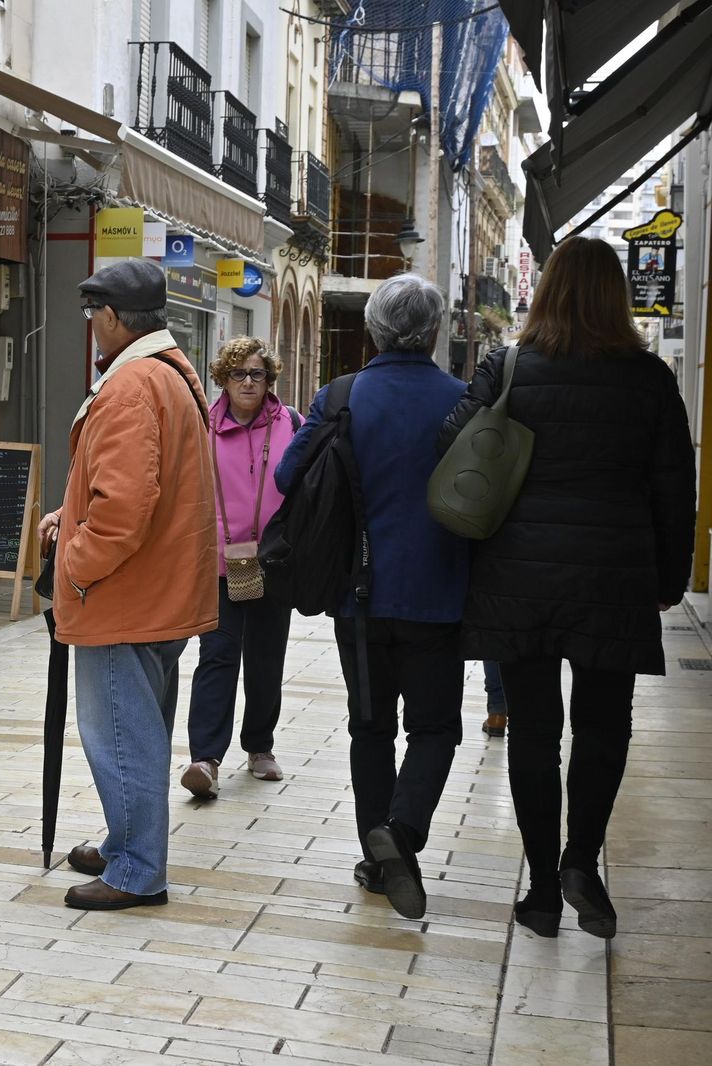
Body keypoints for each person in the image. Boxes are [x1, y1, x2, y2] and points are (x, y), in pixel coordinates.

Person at [440, 237, 696, 939]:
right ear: (616, 296)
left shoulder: (510, 367)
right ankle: (582, 859)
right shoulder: (648, 379)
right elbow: (678, 490)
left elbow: (453, 442)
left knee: (535, 731)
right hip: (614, 576)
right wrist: (670, 579)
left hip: (520, 575)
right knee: (605, 725)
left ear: (547, 290)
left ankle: (545, 890)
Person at [275, 273, 468, 921]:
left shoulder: (340, 397)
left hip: (358, 600)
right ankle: (402, 836)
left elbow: (285, 474)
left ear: (372, 329)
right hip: (440, 598)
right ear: (434, 331)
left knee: (370, 729)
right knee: (435, 727)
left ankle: (376, 857)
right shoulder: (464, 402)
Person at [38, 258, 217, 911]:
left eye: (94, 317)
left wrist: (72, 562)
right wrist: (72, 513)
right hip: (162, 589)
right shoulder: (173, 373)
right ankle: (125, 842)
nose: (92, 328)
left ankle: (138, 869)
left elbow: (122, 509)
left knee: (121, 734)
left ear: (113, 318)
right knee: (138, 728)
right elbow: (139, 490)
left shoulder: (130, 385)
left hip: (125, 596)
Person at [182, 336, 298, 799]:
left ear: (270, 379)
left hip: (275, 562)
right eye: (238, 373)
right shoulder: (201, 427)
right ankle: (205, 758)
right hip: (217, 562)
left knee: (267, 660)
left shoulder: (291, 423)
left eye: (256, 373)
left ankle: (260, 746)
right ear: (222, 380)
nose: (248, 382)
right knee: (217, 654)